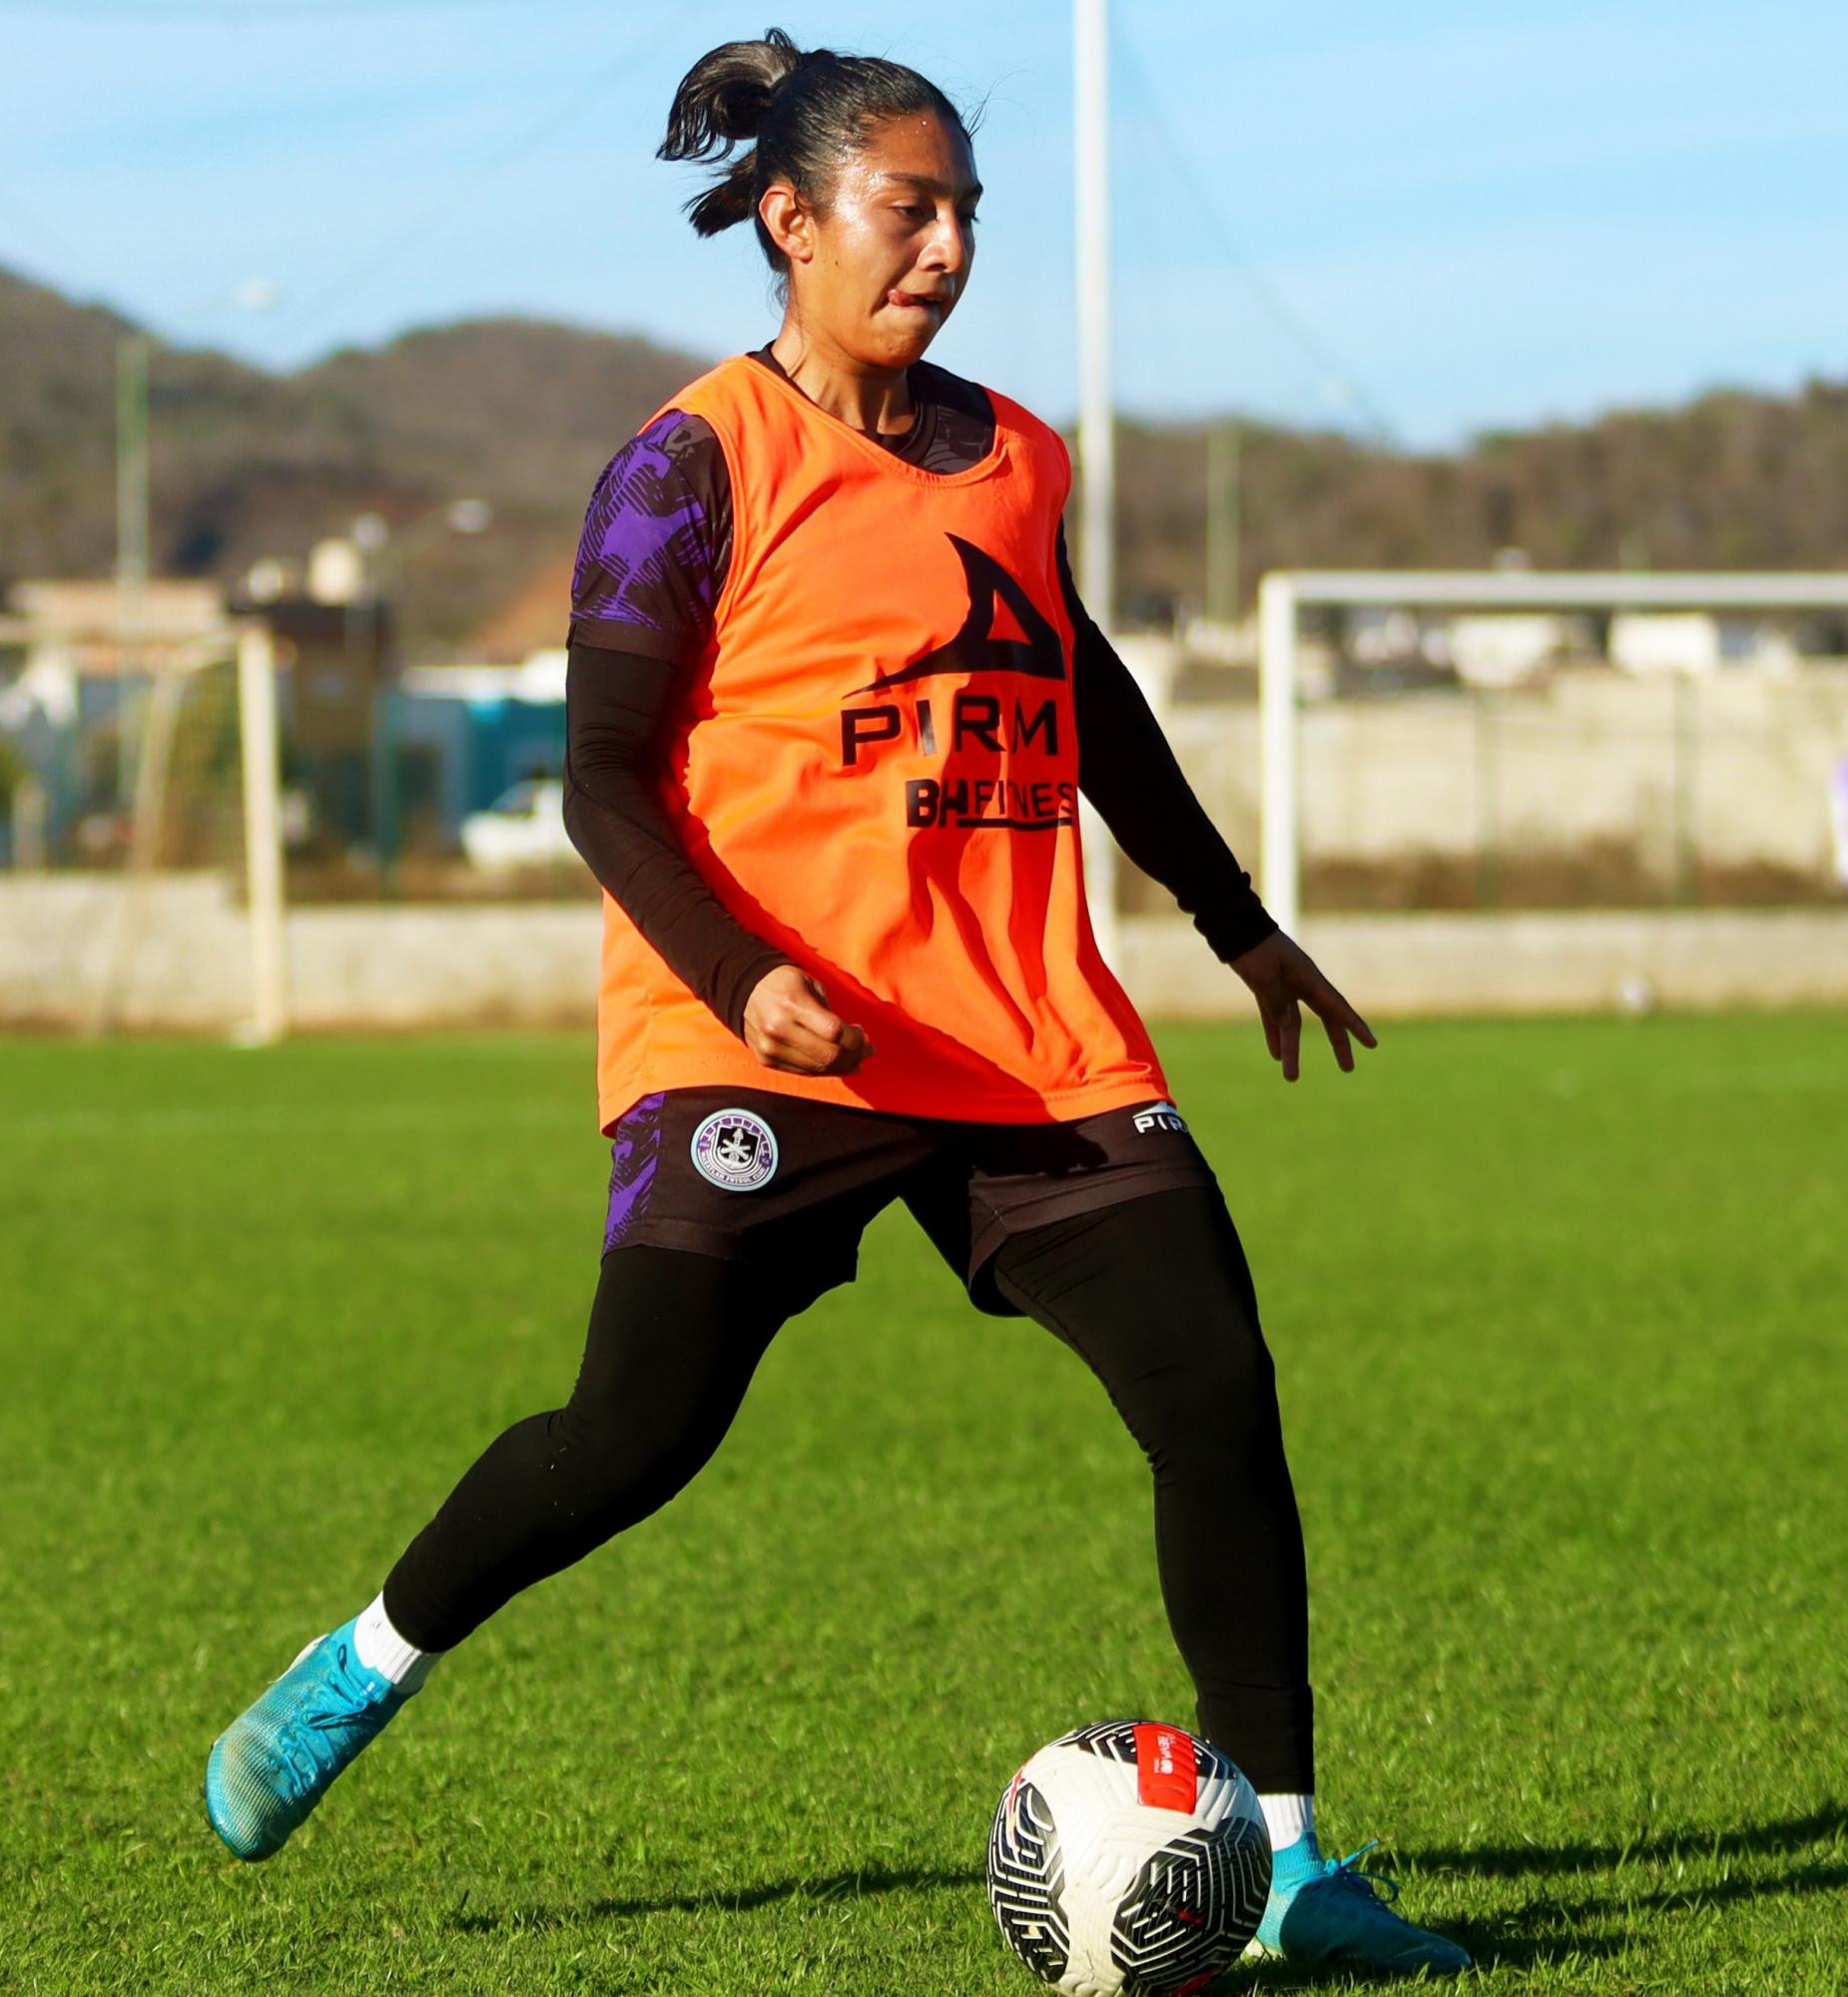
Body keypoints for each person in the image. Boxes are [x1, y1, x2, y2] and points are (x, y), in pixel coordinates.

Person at [204, 29, 1469, 1977]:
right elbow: (603, 780)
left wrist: (1237, 924)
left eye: (966, 210)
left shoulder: (1021, 456)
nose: (945, 245)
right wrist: (742, 974)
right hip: (757, 1030)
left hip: (1020, 1033)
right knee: (638, 1428)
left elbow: (1084, 695)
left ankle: (1284, 1870)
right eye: (909, 205)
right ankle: (366, 1658)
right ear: (791, 220)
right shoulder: (690, 462)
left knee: (1214, 1388)